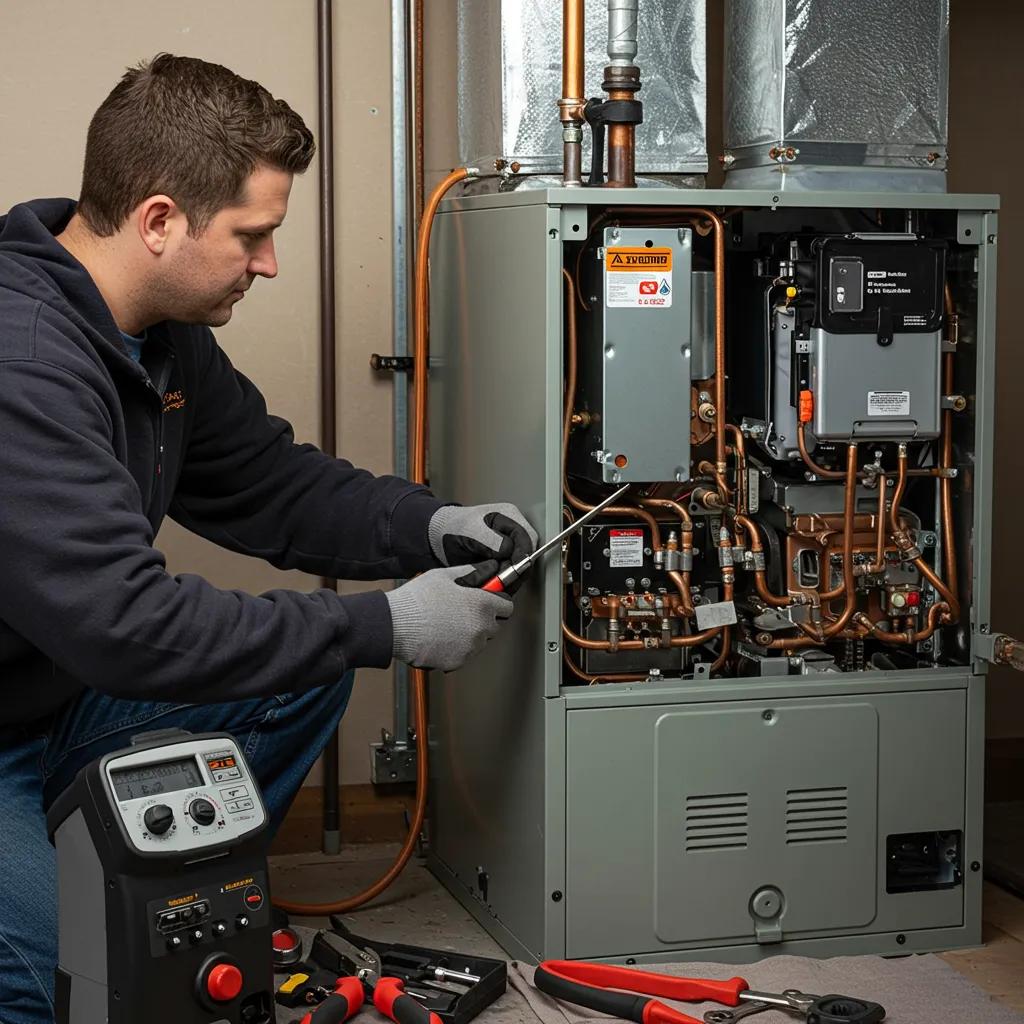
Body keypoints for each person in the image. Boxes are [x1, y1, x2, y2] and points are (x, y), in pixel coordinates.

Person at [0, 53, 536, 1024]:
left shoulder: (158, 337)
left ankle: (133, 876)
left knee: (299, 665)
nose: (269, 264)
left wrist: (429, 524)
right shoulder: (23, 361)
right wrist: (387, 625)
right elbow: (131, 624)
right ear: (160, 220)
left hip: (50, 704)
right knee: (68, 989)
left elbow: (269, 484)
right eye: (253, 236)